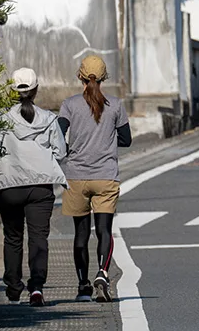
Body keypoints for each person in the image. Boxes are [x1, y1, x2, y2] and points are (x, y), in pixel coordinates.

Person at [57, 55, 132, 303]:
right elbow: (126, 139)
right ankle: (102, 272)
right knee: (104, 230)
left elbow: (60, 135)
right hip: (106, 176)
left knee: (80, 234)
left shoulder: (69, 105)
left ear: (80, 76)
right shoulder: (117, 105)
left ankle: (82, 286)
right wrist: (107, 140)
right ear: (104, 77)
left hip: (76, 176)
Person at [0, 68, 67, 307]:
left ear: (12, 91)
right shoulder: (50, 119)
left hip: (9, 185)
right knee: (38, 239)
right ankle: (36, 288)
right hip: (41, 187)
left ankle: (13, 288)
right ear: (36, 90)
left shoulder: (2, 119)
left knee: (12, 237)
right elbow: (61, 152)